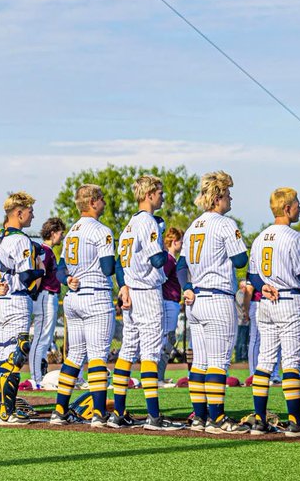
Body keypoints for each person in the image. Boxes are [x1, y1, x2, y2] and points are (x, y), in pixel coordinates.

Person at [179, 171, 249, 434]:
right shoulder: (225, 223)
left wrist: (187, 286)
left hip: (195, 299)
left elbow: (181, 265)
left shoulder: (193, 226)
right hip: (217, 296)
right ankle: (217, 419)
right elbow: (240, 260)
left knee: (200, 362)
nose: (230, 199)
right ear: (218, 197)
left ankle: (200, 417)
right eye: (228, 194)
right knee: (219, 362)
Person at [111, 174, 182, 430]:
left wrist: (124, 286)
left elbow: (120, 263)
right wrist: (166, 249)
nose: (162, 197)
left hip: (132, 291)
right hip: (148, 292)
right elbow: (157, 261)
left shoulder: (128, 225)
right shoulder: (148, 221)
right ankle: (153, 416)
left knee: (128, 351)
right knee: (151, 353)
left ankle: (118, 413)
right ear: (150, 194)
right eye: (160, 193)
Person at [49, 185, 120, 428]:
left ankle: (59, 410)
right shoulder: (101, 231)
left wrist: (67, 279)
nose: (104, 202)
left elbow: (59, 269)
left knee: (75, 355)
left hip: (73, 296)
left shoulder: (71, 232)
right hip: (96, 295)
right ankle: (99, 413)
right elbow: (109, 268)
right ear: (92, 202)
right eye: (100, 199)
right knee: (98, 356)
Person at [247, 187, 300, 436]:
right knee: (292, 363)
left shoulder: (260, 237)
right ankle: (295, 422)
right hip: (289, 300)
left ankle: (259, 420)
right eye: (297, 204)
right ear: (287, 208)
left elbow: (252, 274)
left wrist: (263, 285)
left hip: (266, 300)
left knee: (264, 361)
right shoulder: (295, 237)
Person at [0, 191, 43, 424]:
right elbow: (28, 275)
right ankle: (6, 411)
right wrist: (42, 271)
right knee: (16, 353)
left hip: (2, 300)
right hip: (17, 299)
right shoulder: (20, 239)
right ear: (18, 214)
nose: (32, 215)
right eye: (29, 211)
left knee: (2, 354)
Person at [29, 217, 65, 390]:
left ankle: (39, 374)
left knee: (45, 338)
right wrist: (35, 292)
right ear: (53, 233)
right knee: (41, 338)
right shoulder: (45, 250)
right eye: (60, 233)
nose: (62, 236)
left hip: (49, 296)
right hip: (44, 296)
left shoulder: (48, 250)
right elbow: (38, 273)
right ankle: (35, 377)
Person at [159, 227, 183, 382]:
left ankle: (159, 376)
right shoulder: (168, 259)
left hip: (171, 302)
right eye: (181, 241)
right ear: (174, 242)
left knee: (169, 339)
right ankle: (157, 377)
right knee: (166, 340)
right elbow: (160, 278)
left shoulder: (172, 259)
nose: (182, 244)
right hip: (168, 302)